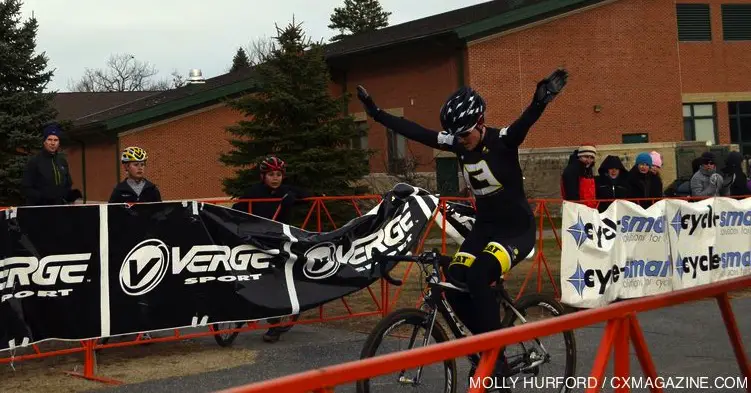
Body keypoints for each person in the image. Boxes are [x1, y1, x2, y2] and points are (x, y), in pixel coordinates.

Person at [356, 68, 568, 379]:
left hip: (516, 229)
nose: (462, 141)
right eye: (457, 136)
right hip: (485, 228)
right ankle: (484, 342)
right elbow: (416, 131)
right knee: (454, 281)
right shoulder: (457, 140)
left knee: (480, 274)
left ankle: (495, 358)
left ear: (480, 124)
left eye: (466, 134)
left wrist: (542, 99)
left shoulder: (504, 140)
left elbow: (526, 121)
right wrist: (376, 113)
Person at [231, 155, 313, 343]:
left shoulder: (286, 191)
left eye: (278, 174)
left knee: (275, 282)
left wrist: (294, 197)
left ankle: (274, 326)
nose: (275, 178)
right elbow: (236, 209)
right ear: (263, 176)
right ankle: (246, 312)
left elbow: (309, 195)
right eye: (271, 175)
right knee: (251, 277)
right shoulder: (254, 192)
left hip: (279, 242)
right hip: (258, 240)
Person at [21, 122, 81, 206]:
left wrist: (70, 196)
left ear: (59, 143)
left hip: (59, 208)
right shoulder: (34, 161)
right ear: (44, 142)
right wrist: (42, 198)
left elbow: (67, 184)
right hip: (40, 209)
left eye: (56, 140)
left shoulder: (62, 161)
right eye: (49, 139)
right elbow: (26, 188)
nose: (53, 143)